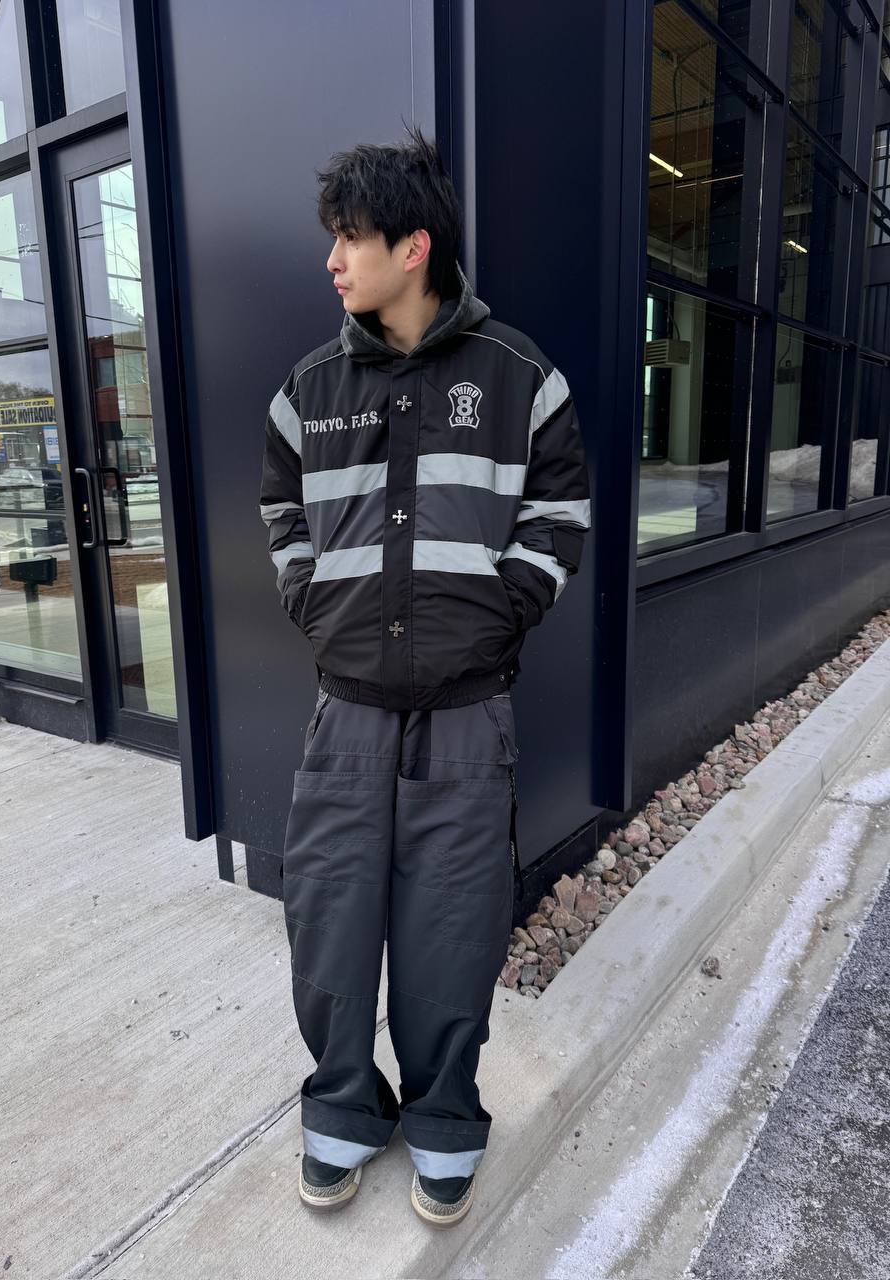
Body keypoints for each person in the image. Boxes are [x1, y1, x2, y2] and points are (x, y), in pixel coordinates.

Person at [258, 124, 591, 1226]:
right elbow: (279, 511)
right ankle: (342, 1109)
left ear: (414, 247)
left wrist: (502, 610)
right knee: (329, 917)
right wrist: (314, 600)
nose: (331, 260)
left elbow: (559, 515)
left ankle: (445, 1117)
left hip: (466, 714)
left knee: (453, 926)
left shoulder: (521, 379)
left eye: (349, 238)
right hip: (346, 715)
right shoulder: (308, 391)